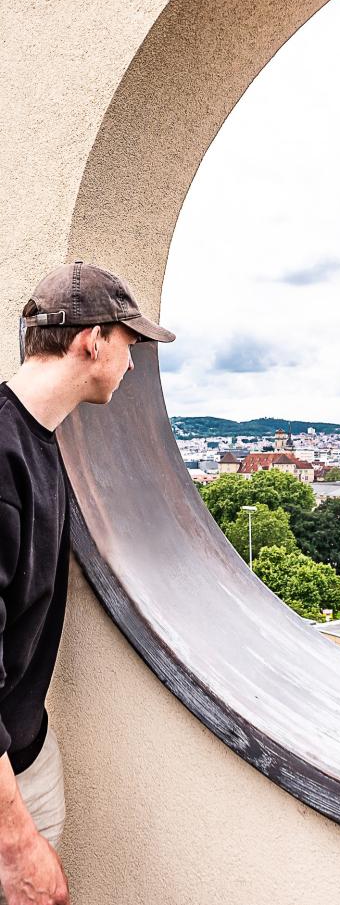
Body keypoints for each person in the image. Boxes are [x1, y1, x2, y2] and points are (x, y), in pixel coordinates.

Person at [0, 261, 174, 905]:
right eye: (128, 345)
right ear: (91, 340)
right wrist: (17, 842)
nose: (131, 367)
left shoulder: (35, 436)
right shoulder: (4, 456)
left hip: (26, 748)